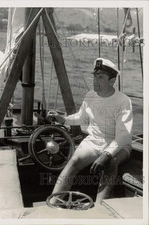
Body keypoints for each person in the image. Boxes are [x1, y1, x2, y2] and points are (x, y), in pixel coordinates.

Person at [47, 58, 133, 204]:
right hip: (94, 142)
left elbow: (124, 136)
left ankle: (99, 207)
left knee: (111, 162)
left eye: (100, 77)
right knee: (73, 162)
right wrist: (63, 119)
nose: (95, 80)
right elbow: (81, 118)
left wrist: (106, 154)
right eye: (95, 76)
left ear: (112, 81)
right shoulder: (90, 96)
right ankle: (54, 203)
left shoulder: (123, 101)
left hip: (118, 144)